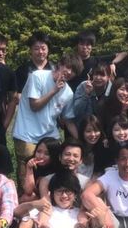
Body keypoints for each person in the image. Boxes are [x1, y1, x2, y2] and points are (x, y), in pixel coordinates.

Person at [12, 53, 81, 187]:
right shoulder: (38, 76)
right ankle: (24, 197)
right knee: (27, 174)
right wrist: (54, 90)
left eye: (73, 71)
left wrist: (79, 142)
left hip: (50, 135)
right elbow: (34, 106)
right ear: (59, 65)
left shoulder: (68, 93)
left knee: (55, 170)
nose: (69, 72)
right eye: (67, 67)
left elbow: (68, 120)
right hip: (27, 134)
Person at [71, 61, 113, 125]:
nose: (98, 78)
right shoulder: (84, 86)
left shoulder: (113, 89)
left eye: (102, 75)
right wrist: (86, 94)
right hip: (84, 126)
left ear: (108, 77)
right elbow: (76, 112)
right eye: (96, 74)